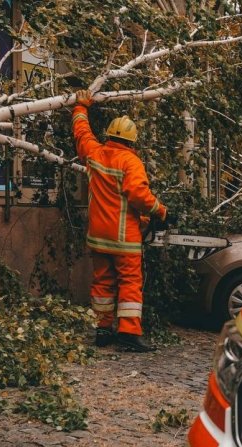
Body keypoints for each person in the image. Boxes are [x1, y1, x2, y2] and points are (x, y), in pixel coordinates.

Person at [72, 89, 170, 352]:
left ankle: (103, 330)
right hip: (124, 238)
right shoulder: (131, 161)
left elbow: (82, 133)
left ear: (109, 136)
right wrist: (160, 210)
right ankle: (128, 332)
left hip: (98, 236)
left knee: (102, 282)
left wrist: (81, 106)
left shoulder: (94, 152)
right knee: (129, 283)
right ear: (132, 141)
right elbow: (139, 194)